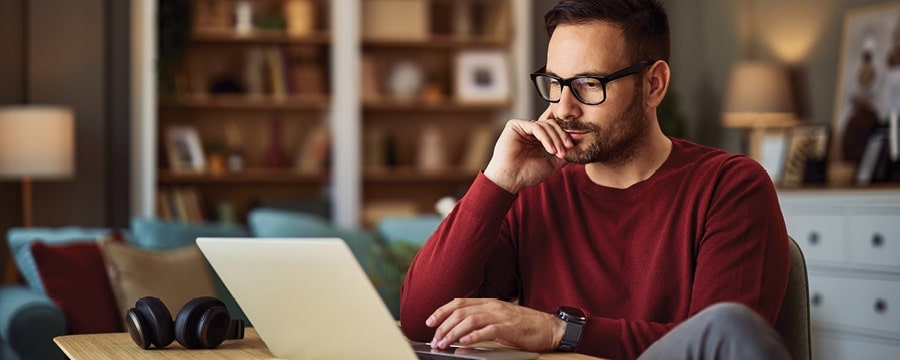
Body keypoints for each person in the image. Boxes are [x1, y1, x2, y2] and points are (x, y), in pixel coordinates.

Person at [398, 1, 792, 359]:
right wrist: (498, 181)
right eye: (555, 83)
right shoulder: (535, 191)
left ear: (653, 84)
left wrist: (560, 331)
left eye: (589, 84)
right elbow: (422, 322)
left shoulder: (730, 187)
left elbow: (723, 345)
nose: (563, 108)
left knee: (729, 326)